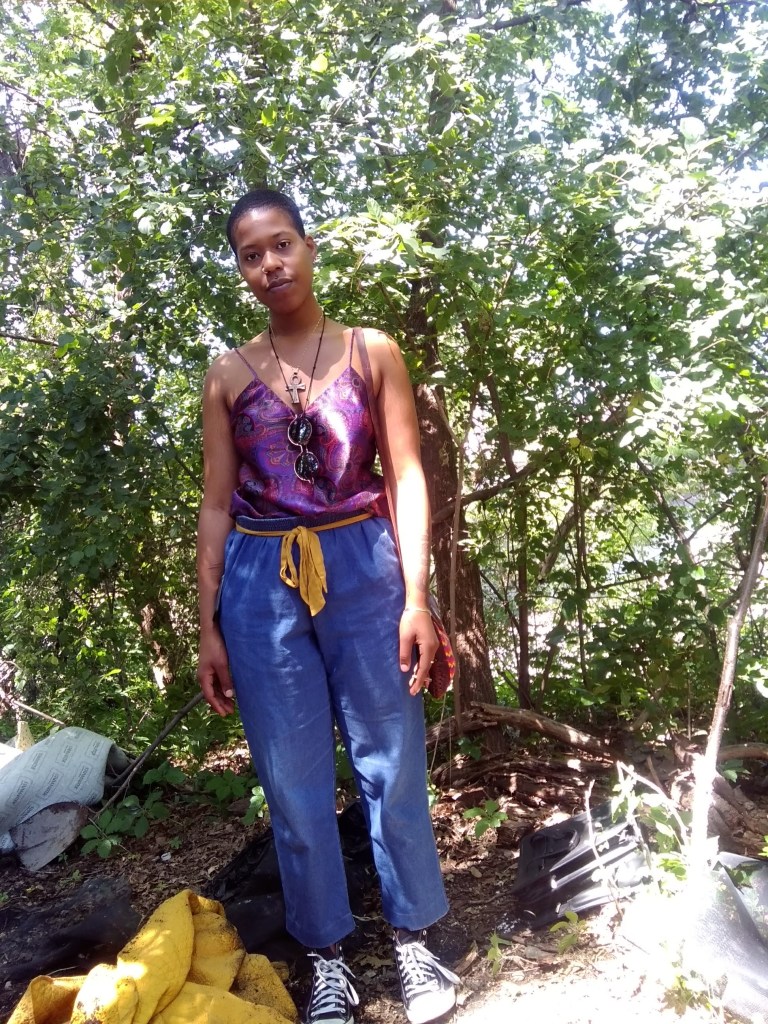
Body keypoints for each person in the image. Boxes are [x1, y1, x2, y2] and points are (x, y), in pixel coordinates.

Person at [196, 188, 459, 1024]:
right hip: (258, 578)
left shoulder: (370, 350)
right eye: (251, 253)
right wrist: (208, 624)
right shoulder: (227, 376)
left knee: (391, 759)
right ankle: (327, 960)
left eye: (282, 245)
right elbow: (214, 505)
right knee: (294, 781)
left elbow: (407, 472)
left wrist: (417, 597)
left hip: (362, 563)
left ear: (309, 248)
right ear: (240, 270)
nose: (270, 263)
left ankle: (416, 943)